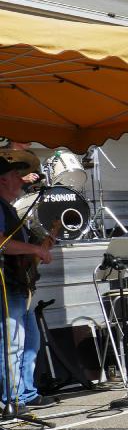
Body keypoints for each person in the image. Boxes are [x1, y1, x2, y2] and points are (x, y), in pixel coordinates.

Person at [0, 155, 55, 411]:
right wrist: (35, 248)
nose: (22, 181)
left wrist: (41, 248)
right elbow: (2, 243)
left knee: (29, 341)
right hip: (6, 285)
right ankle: (12, 399)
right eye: (16, 176)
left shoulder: (9, 209)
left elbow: (20, 249)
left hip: (20, 286)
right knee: (12, 342)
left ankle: (27, 392)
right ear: (3, 180)